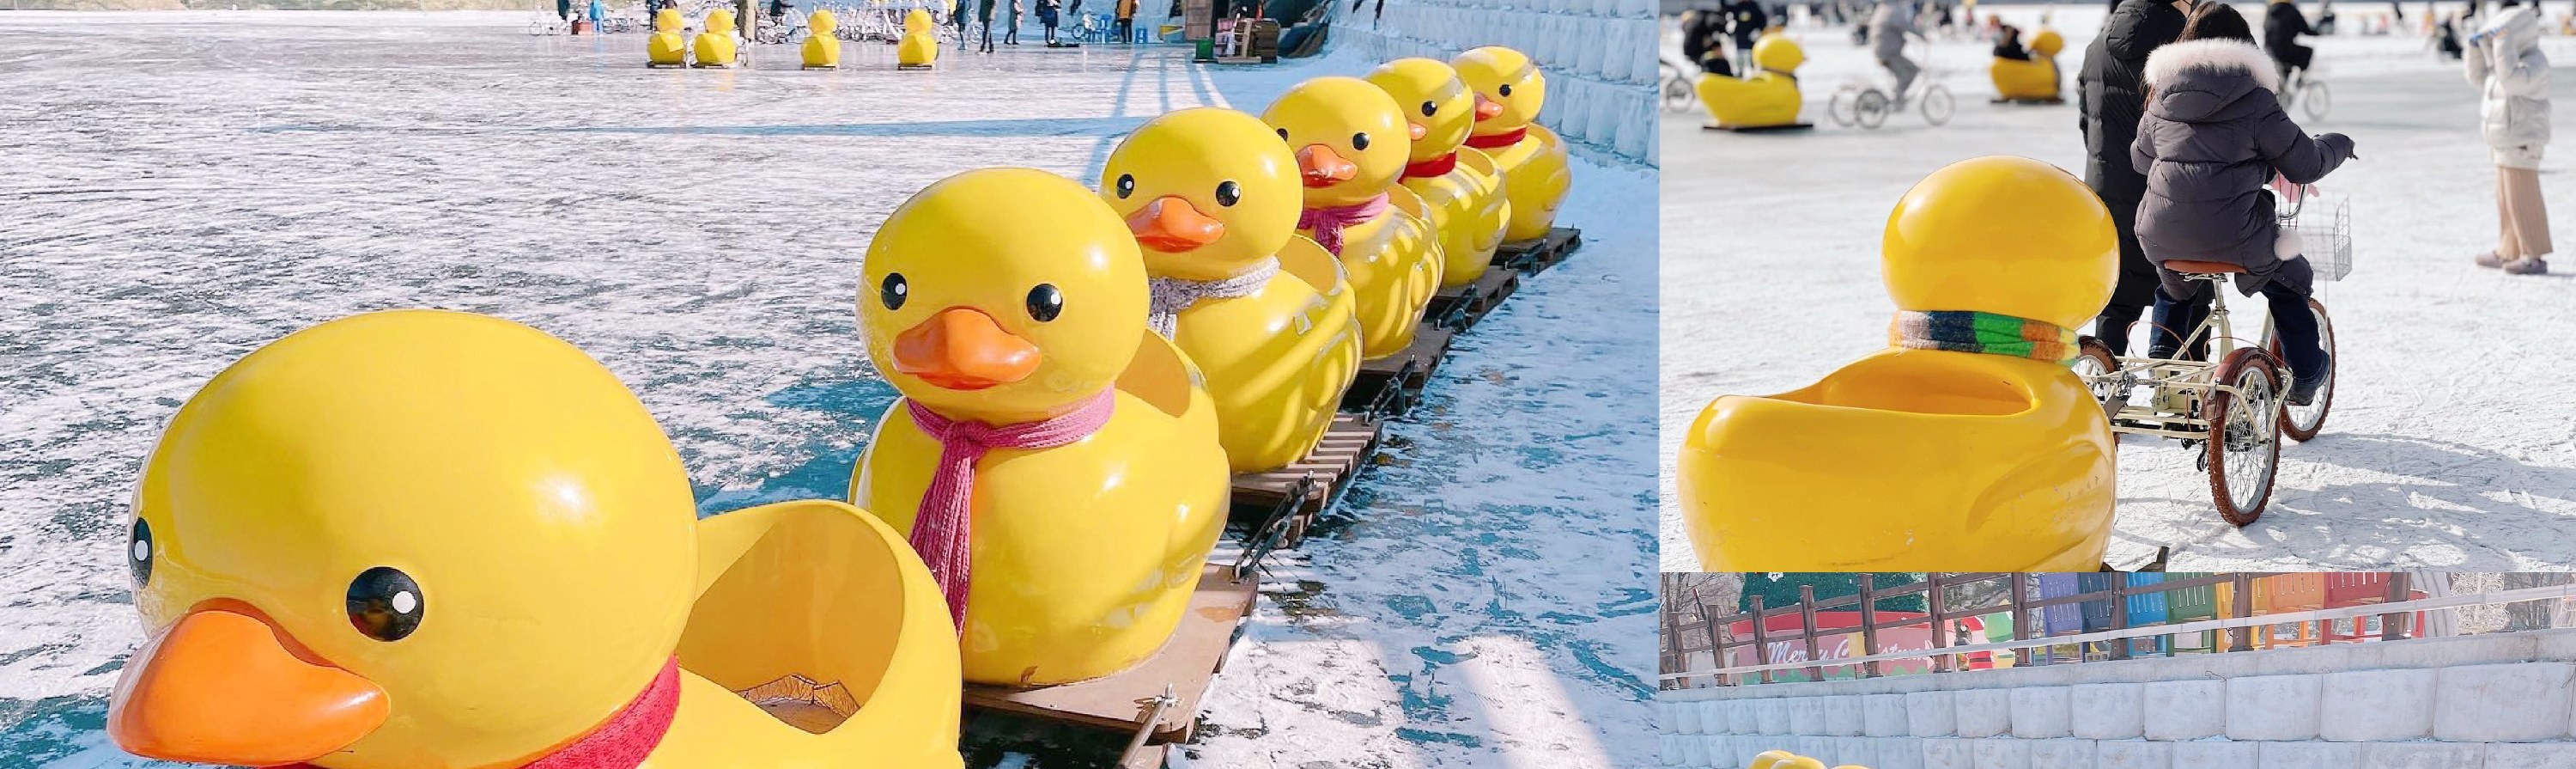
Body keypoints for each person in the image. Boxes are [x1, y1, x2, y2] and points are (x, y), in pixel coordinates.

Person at [2132, 2, 2357, 403]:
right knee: (2289, 280)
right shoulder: (2255, 98)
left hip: (2161, 231)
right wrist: (2340, 144)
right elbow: (2305, 163)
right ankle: (2306, 375)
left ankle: (2164, 363)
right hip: (2234, 234)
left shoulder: (2162, 93)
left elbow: (2140, 159)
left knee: (2173, 286)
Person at [2077, 0, 2190, 357]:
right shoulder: (2184, 45)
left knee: (2116, 300)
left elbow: (2087, 122)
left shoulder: (2098, 45)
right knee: (2185, 294)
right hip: (2169, 199)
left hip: (2106, 194)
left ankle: (2101, 394)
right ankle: (2180, 399)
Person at [2467, 0, 2553, 273]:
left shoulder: (2535, 63)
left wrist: (2503, 46)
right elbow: (2480, 79)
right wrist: (2476, 49)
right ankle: (2508, 249)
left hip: (2523, 140)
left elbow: (2511, 81)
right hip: (2504, 140)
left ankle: (2534, 254)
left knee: (2524, 198)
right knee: (2505, 198)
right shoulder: (2505, 65)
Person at [1870, 0, 1926, 101]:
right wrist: (1922, 36)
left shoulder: (1883, 8)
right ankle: (1897, 97)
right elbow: (1905, 26)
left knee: (1900, 72)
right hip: (1889, 52)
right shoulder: (1892, 11)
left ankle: (1895, 95)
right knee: (1912, 70)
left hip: (1883, 50)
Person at [2265, 0, 2318, 84]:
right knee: (2307, 51)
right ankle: (2300, 81)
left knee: (2284, 66)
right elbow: (2305, 29)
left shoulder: (2270, 11)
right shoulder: (2292, 10)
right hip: (2286, 50)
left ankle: (2284, 89)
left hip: (2269, 50)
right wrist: (2318, 32)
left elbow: (2266, 28)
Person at [1727, 0, 1770, 70]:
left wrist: (1758, 30)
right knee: (1740, 57)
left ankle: (1754, 71)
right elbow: (1732, 17)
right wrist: (1731, 24)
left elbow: (1763, 20)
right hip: (1740, 37)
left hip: (1752, 37)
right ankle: (1740, 72)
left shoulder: (1754, 6)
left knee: (1753, 56)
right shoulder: (1738, 7)